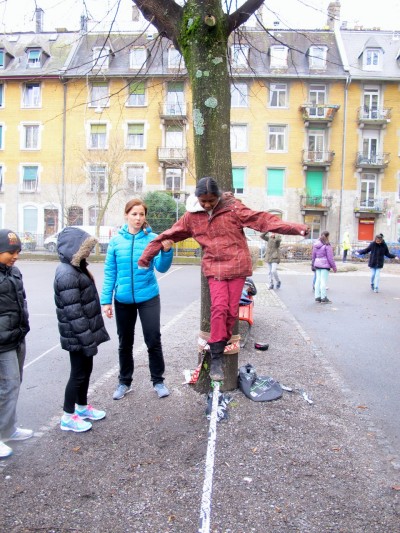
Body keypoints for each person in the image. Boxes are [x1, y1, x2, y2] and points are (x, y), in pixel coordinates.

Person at [138, 177, 309, 381]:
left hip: (237, 265)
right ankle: (216, 355)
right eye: (203, 201)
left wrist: (296, 228)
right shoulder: (191, 217)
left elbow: (263, 220)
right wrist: (146, 258)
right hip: (215, 267)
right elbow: (168, 235)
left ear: (218, 196)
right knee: (219, 308)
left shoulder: (232, 208)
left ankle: (222, 341)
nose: (207, 204)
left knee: (231, 311)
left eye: (211, 200)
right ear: (197, 198)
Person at [101, 199, 173, 400]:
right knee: (125, 342)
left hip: (148, 296)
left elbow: (161, 268)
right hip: (123, 299)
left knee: (153, 339)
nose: (138, 218)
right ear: (126, 215)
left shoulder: (153, 239)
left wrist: (167, 251)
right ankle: (124, 382)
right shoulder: (116, 241)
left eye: (141, 214)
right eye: (134, 214)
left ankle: (158, 381)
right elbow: (110, 273)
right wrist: (106, 301)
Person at [54, 227, 110, 433]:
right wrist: (87, 340)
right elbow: (74, 312)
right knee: (77, 374)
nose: (88, 251)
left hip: (84, 334)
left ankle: (82, 407)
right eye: (85, 247)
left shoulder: (77, 268)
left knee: (85, 371)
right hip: (77, 336)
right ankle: (68, 417)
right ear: (73, 248)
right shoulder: (66, 273)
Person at [0, 230, 33, 458]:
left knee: (15, 383)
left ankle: (8, 429)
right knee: (7, 385)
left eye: (18, 251)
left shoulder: (14, 272)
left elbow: (22, 301)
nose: (15, 256)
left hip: (17, 337)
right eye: (10, 252)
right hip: (2, 342)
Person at [312, 231, 337, 304]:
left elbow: (313, 256)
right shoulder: (327, 245)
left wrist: (313, 265)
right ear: (327, 236)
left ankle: (317, 297)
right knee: (323, 281)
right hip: (325, 265)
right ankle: (323, 298)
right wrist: (334, 267)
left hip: (317, 264)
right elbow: (330, 257)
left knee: (317, 281)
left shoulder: (315, 245)